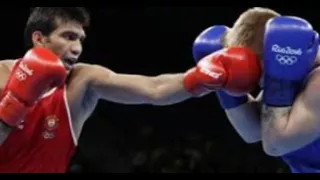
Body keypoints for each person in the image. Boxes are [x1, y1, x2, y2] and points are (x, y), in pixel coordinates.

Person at [0, 7, 261, 173]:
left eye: (80, 39)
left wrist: (202, 77)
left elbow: (153, 89)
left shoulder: (81, 81)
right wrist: (15, 102)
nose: (78, 48)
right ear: (39, 38)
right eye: (68, 37)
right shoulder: (0, 75)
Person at [193, 7, 320, 173]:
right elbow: (251, 132)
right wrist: (223, 83)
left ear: (273, 52)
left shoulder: (316, 83)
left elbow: (276, 145)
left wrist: (279, 80)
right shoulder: (290, 75)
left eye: (252, 66)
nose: (248, 76)